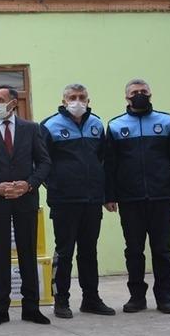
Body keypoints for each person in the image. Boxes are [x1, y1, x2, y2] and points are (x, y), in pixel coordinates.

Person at [0, 85, 51, 326]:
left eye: (0, 99)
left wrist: (29, 184)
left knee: (28, 253)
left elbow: (44, 162)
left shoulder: (31, 129)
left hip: (26, 200)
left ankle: (32, 307)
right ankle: (0, 309)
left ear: (13, 103)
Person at [105, 78, 170, 314]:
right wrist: (109, 196)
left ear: (151, 95)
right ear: (126, 97)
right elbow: (109, 166)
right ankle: (136, 298)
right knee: (133, 250)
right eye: (134, 92)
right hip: (129, 200)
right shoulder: (115, 126)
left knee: (162, 250)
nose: (139, 95)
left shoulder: (167, 121)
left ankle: (164, 298)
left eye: (144, 91)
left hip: (161, 197)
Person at [40, 84, 115, 319]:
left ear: (88, 100)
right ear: (63, 101)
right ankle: (61, 300)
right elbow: (41, 163)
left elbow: (102, 158)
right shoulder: (49, 126)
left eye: (82, 97)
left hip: (92, 200)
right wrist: (56, 186)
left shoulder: (96, 124)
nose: (77, 101)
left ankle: (91, 299)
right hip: (64, 201)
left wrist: (104, 193)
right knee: (64, 251)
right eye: (72, 97)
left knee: (88, 251)